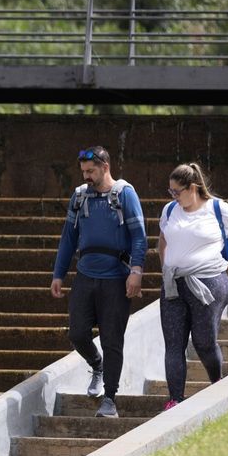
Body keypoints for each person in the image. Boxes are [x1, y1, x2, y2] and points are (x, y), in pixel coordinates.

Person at [51, 146, 147, 419]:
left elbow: (139, 236)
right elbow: (68, 237)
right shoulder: (80, 196)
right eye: (83, 172)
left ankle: (110, 398)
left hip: (116, 278)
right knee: (77, 333)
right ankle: (96, 364)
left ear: (106, 167)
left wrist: (136, 271)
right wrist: (59, 274)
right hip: (85, 275)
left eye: (91, 171)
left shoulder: (125, 194)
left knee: (112, 340)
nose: (86, 177)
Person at [157, 162, 228, 410]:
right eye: (171, 192)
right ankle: (175, 399)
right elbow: (163, 241)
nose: (173, 196)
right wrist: (166, 268)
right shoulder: (170, 210)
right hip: (174, 285)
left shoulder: (216, 208)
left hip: (209, 282)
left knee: (203, 342)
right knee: (174, 343)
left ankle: (217, 383)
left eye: (177, 191)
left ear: (192, 188)